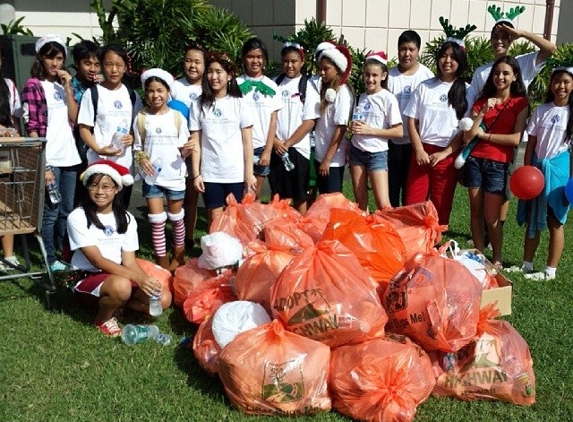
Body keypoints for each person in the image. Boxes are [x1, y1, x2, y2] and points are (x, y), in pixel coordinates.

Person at [472, 4, 557, 237]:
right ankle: (484, 231)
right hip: (483, 142)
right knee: (481, 193)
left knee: (501, 189)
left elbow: (551, 49)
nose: (500, 40)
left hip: (510, 137)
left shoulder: (524, 63)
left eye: (505, 36)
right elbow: (474, 105)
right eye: (496, 36)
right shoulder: (481, 72)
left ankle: (495, 229)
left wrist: (522, 34)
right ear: (490, 40)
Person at [67, 160, 172, 337]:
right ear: (87, 188)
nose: (100, 192)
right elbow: (97, 260)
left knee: (163, 298)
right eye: (94, 186)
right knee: (121, 286)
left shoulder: (127, 218)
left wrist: (146, 282)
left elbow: (129, 261)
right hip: (86, 276)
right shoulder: (77, 216)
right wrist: (138, 279)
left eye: (107, 187)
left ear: (117, 189)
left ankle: (120, 303)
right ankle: (103, 319)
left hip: (118, 275)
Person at [404, 22, 476, 226]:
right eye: (444, 56)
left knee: (441, 204)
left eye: (453, 57)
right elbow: (412, 120)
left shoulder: (467, 90)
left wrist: (445, 153)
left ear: (460, 61)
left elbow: (466, 127)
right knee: (413, 203)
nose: (447, 61)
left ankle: (436, 246)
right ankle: (413, 245)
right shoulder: (425, 86)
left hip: (447, 154)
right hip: (422, 153)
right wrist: (418, 149)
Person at [21, 34, 82, 272]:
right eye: (50, 58)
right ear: (41, 58)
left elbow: (75, 118)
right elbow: (33, 128)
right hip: (51, 158)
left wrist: (67, 88)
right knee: (51, 211)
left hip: (70, 156)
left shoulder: (62, 86)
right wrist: (44, 164)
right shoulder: (34, 86)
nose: (55, 64)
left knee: (67, 210)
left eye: (59, 58)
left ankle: (64, 254)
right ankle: (50, 257)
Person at [462, 56, 529, 268]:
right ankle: (479, 254)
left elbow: (515, 139)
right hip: (475, 161)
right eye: (497, 73)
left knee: (491, 217)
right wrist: (482, 113)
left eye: (506, 73)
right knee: (475, 210)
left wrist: (485, 137)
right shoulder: (482, 102)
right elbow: (467, 136)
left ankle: (497, 257)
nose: (500, 77)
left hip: (498, 164)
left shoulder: (520, 104)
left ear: (515, 76)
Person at [511, 64, 573, 280]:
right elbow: (531, 144)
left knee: (556, 219)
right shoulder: (541, 110)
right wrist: (527, 167)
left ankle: (550, 270)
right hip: (536, 169)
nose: (561, 86)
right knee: (532, 216)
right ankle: (526, 264)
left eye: (566, 82)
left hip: (559, 170)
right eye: (557, 81)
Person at [189, 52, 256, 230]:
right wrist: (196, 173)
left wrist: (249, 173)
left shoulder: (240, 104)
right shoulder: (198, 104)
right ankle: (215, 257)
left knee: (235, 218)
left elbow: (248, 142)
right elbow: (196, 140)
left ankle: (235, 256)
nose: (214, 77)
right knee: (214, 220)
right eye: (210, 72)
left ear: (229, 75)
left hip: (234, 172)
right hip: (210, 173)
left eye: (219, 72)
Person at [133, 68, 191, 271]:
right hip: (152, 179)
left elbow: (184, 150)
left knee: (176, 219)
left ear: (168, 92)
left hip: (174, 176)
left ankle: (179, 255)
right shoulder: (141, 117)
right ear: (145, 93)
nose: (155, 95)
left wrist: (187, 150)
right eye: (150, 91)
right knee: (157, 222)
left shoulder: (177, 117)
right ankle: (162, 261)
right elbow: (138, 147)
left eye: (160, 90)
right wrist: (142, 160)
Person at [77, 44, 143, 210]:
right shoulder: (93, 93)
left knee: (121, 209)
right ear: (102, 66)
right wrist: (99, 149)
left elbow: (138, 127)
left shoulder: (132, 95)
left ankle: (119, 235)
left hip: (124, 165)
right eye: (109, 64)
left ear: (125, 68)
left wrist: (133, 137)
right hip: (99, 163)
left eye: (119, 65)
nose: (114, 70)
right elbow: (84, 128)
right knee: (98, 209)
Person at [349, 51, 403, 211]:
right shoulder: (360, 97)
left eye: (374, 75)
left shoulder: (388, 98)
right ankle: (365, 234)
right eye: (367, 75)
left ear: (383, 76)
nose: (370, 79)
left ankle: (389, 234)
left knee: (383, 204)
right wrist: (352, 127)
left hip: (377, 154)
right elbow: (356, 125)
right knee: (360, 204)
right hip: (356, 151)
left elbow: (398, 132)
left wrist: (369, 130)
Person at [387, 30, 434, 207]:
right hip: (391, 143)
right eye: (403, 49)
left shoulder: (427, 77)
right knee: (391, 189)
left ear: (418, 51)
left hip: (416, 144)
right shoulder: (388, 76)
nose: (407, 53)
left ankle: (408, 228)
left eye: (411, 49)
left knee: (412, 192)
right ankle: (390, 226)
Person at [237, 37, 282, 201]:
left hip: (262, 147)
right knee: (239, 194)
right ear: (244, 59)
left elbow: (273, 121)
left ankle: (252, 226)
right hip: (239, 147)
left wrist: (268, 151)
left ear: (264, 60)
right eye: (250, 56)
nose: (255, 61)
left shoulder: (272, 86)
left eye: (259, 57)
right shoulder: (234, 85)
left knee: (255, 193)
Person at [271, 42, 313, 214]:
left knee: (300, 195)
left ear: (302, 62)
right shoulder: (274, 84)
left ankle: (300, 233)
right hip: (276, 148)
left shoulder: (308, 86)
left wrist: (287, 144)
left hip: (298, 149)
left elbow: (309, 121)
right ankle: (280, 231)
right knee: (278, 195)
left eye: (294, 61)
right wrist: (275, 142)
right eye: (286, 61)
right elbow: (268, 117)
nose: (290, 65)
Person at [171, 44, 206, 250]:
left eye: (197, 61)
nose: (192, 65)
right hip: (179, 150)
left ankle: (198, 237)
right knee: (183, 197)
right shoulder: (175, 87)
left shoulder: (210, 86)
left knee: (200, 197)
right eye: (188, 60)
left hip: (204, 148)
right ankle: (182, 237)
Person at [311, 43, 354, 194]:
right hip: (320, 155)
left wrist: (327, 159)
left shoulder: (342, 92)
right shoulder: (325, 89)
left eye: (326, 69)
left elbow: (341, 128)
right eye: (320, 68)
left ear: (338, 69)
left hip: (332, 161)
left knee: (331, 201)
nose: (322, 73)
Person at [0, 45, 23, 270]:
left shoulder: (8, 85)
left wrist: (13, 134)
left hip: (5, 151)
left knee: (6, 199)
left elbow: (14, 119)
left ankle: (9, 254)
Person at [71, 40, 101, 205]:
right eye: (87, 63)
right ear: (77, 63)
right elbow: (75, 119)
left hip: (99, 140)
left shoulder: (101, 86)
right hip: (77, 141)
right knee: (80, 187)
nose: (93, 69)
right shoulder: (70, 86)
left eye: (97, 64)